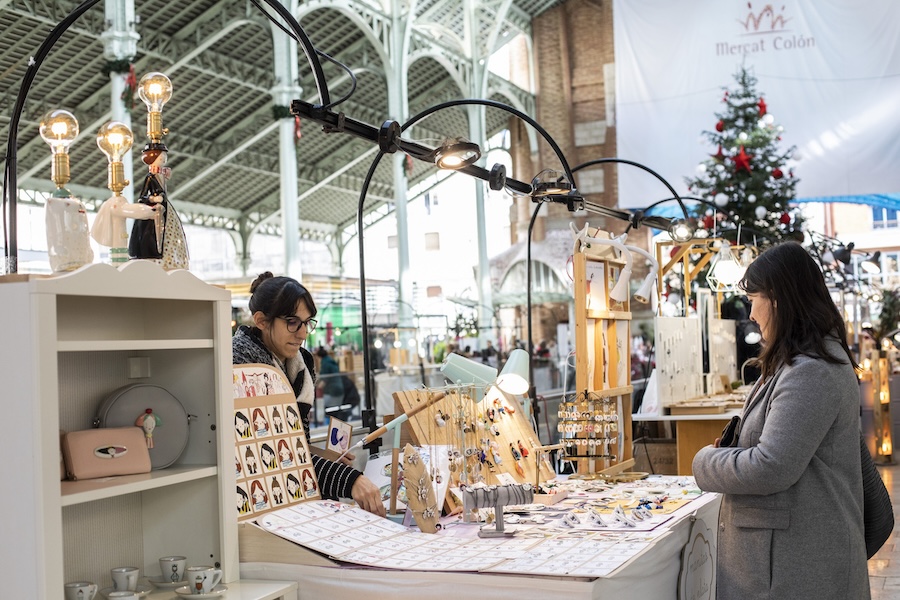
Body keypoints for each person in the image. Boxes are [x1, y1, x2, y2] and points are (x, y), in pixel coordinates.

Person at [692, 242, 868, 600]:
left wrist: (704, 462)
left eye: (754, 299)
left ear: (778, 299)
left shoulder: (811, 371)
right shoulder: (799, 362)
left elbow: (771, 466)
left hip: (795, 569)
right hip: (786, 563)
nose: (751, 313)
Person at [232, 272, 385, 517]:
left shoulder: (301, 362)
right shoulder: (242, 366)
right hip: (257, 504)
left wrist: (322, 456)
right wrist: (349, 479)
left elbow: (294, 443)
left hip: (295, 501)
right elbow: (271, 455)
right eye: (292, 322)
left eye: (307, 322)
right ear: (261, 320)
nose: (303, 334)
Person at [316, 347, 344, 425]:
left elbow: (325, 380)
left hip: (332, 391)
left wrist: (317, 387)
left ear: (319, 357)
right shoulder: (331, 360)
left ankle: (331, 427)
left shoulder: (325, 363)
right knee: (336, 411)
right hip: (339, 389)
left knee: (330, 411)